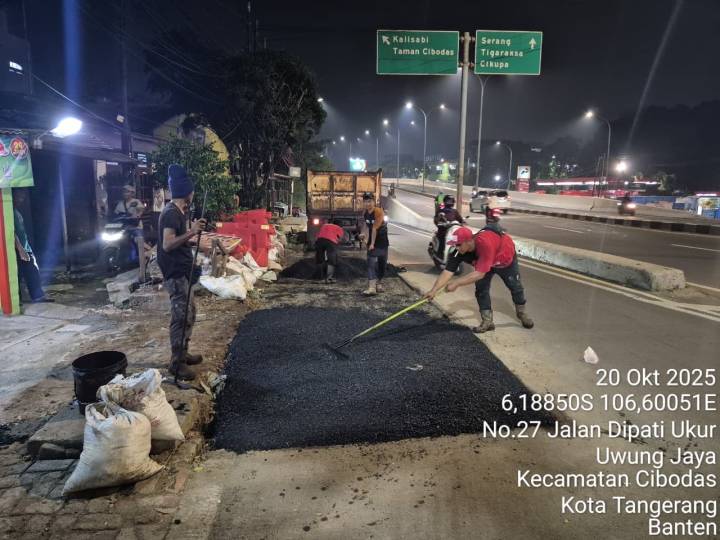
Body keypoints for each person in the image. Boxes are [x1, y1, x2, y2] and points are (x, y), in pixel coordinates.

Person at [424, 208, 534, 333]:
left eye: (458, 244)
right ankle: (487, 321)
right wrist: (433, 290)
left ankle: (522, 313)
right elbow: (447, 272)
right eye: (454, 244)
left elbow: (480, 274)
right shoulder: (458, 251)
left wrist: (457, 283)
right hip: (485, 263)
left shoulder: (484, 243)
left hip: (504, 260)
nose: (456, 247)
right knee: (481, 289)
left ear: (469, 241)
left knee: (515, 287)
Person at [157, 164, 207, 380]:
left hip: (183, 270)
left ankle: (183, 353)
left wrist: (193, 240)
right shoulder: (171, 213)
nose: (193, 194)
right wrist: (192, 232)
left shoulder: (179, 212)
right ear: (187, 192)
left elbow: (179, 240)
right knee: (180, 316)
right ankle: (176, 364)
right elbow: (168, 244)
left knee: (189, 313)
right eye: (192, 191)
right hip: (175, 272)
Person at [12, 189, 52, 303]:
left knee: (32, 271)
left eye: (23, 197)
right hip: (18, 248)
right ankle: (18, 300)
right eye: (19, 196)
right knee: (20, 274)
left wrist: (26, 247)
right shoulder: (8, 212)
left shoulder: (16, 211)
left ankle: (37, 296)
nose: (21, 199)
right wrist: (20, 249)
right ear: (12, 196)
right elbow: (11, 232)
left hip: (25, 247)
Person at [114, 184, 148, 280]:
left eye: (127, 192)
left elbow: (141, 209)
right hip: (125, 228)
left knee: (140, 241)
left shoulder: (135, 202)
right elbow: (116, 213)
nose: (125, 193)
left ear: (132, 193)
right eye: (124, 192)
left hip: (136, 227)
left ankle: (146, 257)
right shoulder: (120, 204)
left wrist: (138, 214)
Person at [361, 192, 389, 296]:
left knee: (382, 264)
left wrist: (372, 243)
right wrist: (363, 234)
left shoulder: (378, 211)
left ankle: (379, 283)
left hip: (382, 241)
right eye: (365, 202)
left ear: (374, 202)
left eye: (370, 201)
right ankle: (371, 287)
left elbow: (374, 229)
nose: (367, 204)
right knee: (370, 264)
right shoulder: (365, 212)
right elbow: (366, 224)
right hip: (372, 241)